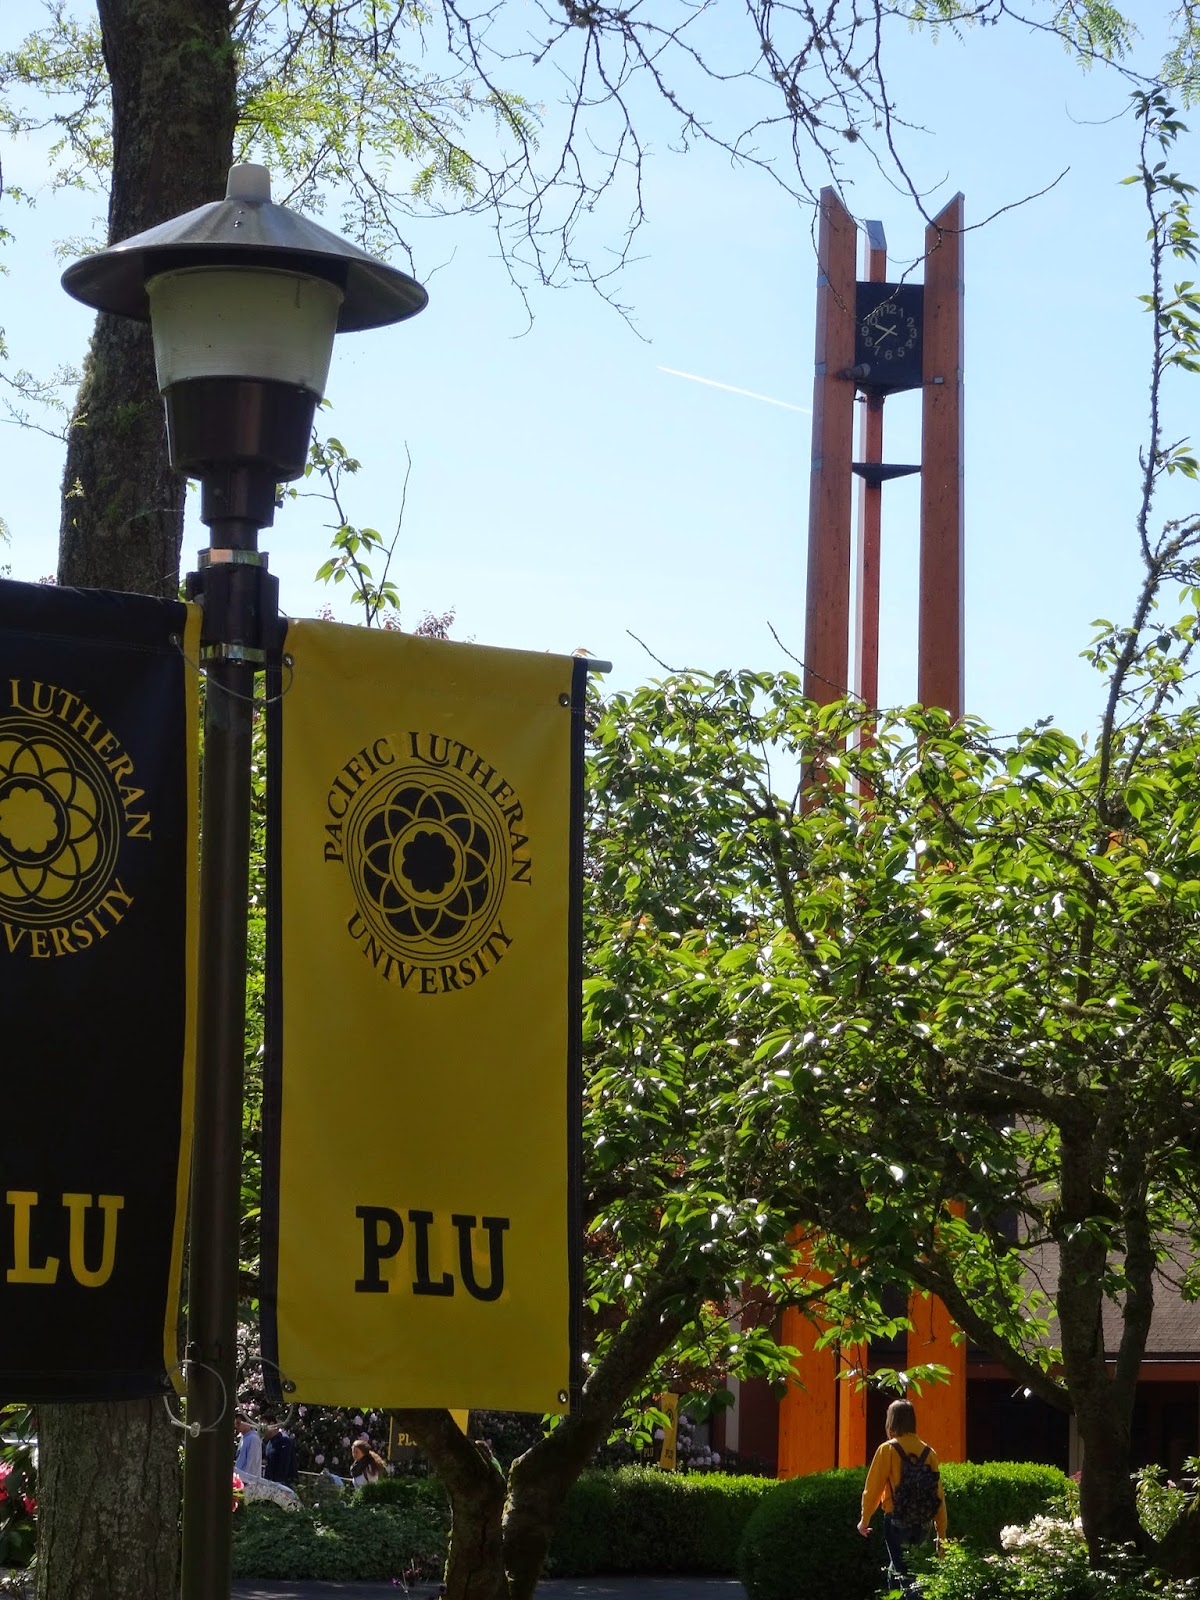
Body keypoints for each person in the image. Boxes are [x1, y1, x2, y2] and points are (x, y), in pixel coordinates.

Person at [857, 1399, 946, 1595]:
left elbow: (872, 1489)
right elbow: (938, 1495)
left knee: (905, 1577)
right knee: (900, 1570)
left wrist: (865, 1520)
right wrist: (942, 1533)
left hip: (897, 1520)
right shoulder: (929, 1453)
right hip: (923, 1522)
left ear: (891, 1421)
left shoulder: (887, 1449)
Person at [261, 1417, 298, 1485]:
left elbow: (284, 1466)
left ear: (272, 1424)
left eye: (264, 1425)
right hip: (270, 1483)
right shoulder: (269, 1443)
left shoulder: (284, 1441)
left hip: (282, 1484)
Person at [234, 1412, 262, 1479]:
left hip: (247, 1480)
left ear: (247, 1422)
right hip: (240, 1477)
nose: (236, 1426)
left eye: (238, 1423)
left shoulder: (253, 1438)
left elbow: (252, 1462)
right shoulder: (243, 1437)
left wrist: (247, 1479)